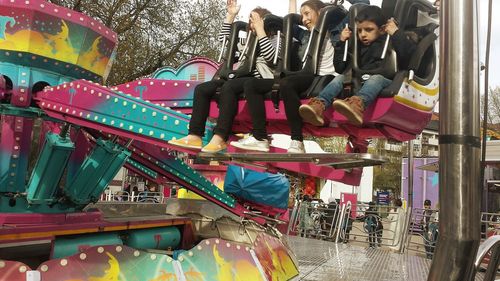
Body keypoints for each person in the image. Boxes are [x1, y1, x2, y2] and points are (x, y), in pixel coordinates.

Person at [230, 0, 369, 153]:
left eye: (307, 14)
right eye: (302, 15)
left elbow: (363, 3)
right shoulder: (305, 35)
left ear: (321, 12)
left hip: (328, 77)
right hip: (309, 76)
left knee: (287, 84)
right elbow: (290, 23)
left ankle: (297, 140)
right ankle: (260, 137)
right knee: (251, 85)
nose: (304, 19)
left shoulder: (337, 28)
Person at [169, 0, 279, 153]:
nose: (252, 25)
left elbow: (271, 57)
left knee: (229, 87)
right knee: (202, 89)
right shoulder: (247, 41)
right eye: (250, 21)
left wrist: (261, 31)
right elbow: (225, 41)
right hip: (241, 77)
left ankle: (220, 136)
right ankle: (195, 135)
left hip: (259, 79)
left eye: (255, 21)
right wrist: (230, 16)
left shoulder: (274, 39)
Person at [299, 5, 417, 127]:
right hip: (359, 80)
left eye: (369, 30)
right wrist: (341, 43)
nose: (363, 34)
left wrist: (396, 33)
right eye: (360, 30)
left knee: (375, 79)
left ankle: (357, 106)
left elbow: (407, 57)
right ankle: (318, 106)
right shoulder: (356, 47)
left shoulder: (389, 42)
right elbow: (340, 67)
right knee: (340, 78)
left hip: (383, 80)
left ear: (382, 29)